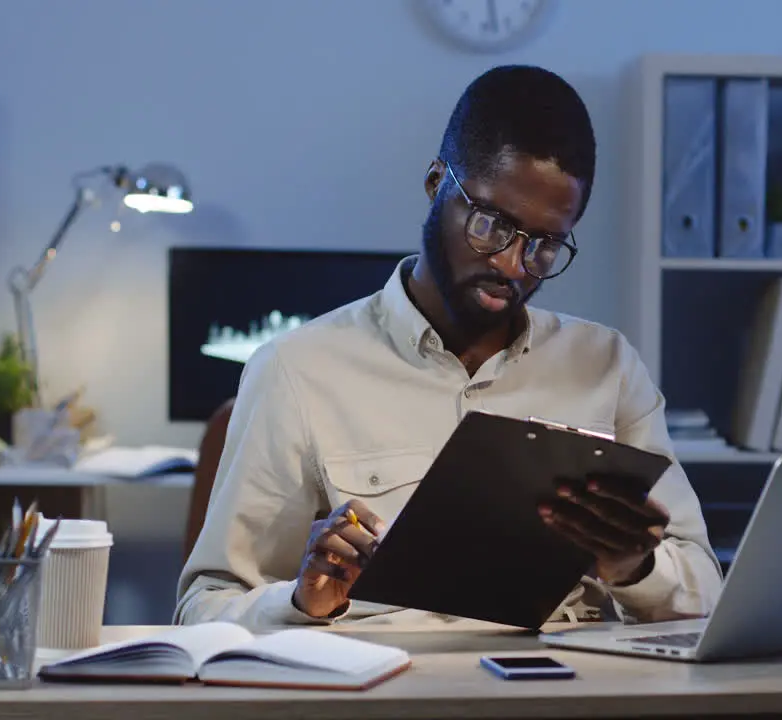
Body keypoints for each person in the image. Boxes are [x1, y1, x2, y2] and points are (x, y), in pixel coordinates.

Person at [176, 64, 723, 627]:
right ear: (438, 183)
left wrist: (634, 566)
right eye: (492, 224)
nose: (513, 265)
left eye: (545, 246)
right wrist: (300, 602)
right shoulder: (298, 370)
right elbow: (204, 608)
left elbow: (707, 589)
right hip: (389, 693)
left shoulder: (607, 367)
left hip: (570, 687)